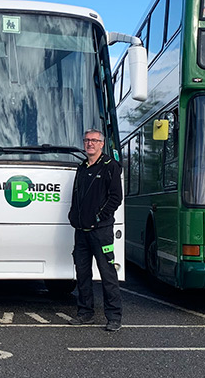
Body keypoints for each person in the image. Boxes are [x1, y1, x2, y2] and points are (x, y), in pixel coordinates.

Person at [68, 128, 123, 331]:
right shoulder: (81, 167)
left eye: (94, 140)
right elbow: (76, 196)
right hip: (81, 231)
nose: (90, 143)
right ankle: (85, 313)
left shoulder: (110, 166)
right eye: (87, 140)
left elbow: (116, 197)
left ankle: (114, 317)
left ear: (101, 143)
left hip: (101, 232)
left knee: (108, 274)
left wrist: (100, 216)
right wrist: (73, 216)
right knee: (82, 274)